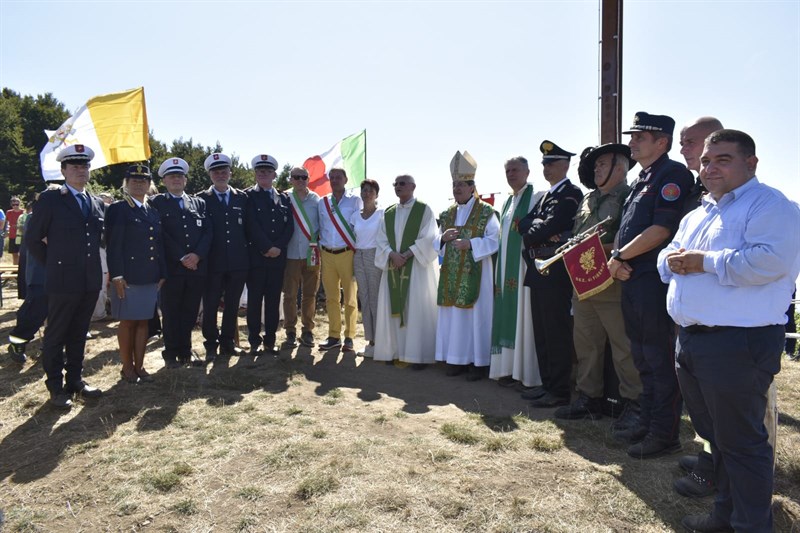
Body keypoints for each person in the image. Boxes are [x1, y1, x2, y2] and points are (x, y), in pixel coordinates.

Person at [658, 129, 800, 533]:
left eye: (723, 159)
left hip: (738, 342)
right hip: (692, 339)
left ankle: (751, 526)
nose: (710, 168)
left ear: (750, 163)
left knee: (742, 444)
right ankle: (726, 517)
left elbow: (769, 262)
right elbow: (666, 260)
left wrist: (703, 262)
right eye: (706, 160)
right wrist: (673, 261)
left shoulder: (771, 205)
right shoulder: (698, 214)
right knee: (717, 438)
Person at [608, 111, 694, 459]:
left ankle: (664, 433)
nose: (632, 142)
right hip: (632, 277)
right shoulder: (642, 178)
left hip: (653, 281)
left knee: (659, 358)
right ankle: (646, 421)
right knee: (642, 356)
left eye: (639, 137)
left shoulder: (673, 175)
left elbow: (661, 230)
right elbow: (626, 228)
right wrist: (617, 259)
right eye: (632, 136)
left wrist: (619, 257)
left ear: (662, 142)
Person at [554, 144, 642, 420]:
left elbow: (631, 239)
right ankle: (588, 397)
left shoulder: (630, 196)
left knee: (623, 348)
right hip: (583, 282)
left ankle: (634, 404)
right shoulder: (587, 199)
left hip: (612, 283)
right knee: (586, 344)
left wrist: (595, 249)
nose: (597, 169)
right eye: (596, 165)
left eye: (603, 164)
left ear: (620, 167)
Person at [26, 144, 105, 408]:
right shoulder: (51, 200)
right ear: (63, 171)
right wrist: (54, 265)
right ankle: (56, 388)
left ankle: (75, 380)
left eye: (85, 166)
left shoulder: (95, 202)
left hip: (89, 280)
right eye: (75, 166)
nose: (81, 171)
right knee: (56, 334)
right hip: (62, 280)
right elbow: (33, 239)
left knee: (79, 332)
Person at [518, 141, 582, 407]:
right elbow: (523, 223)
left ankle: (559, 390)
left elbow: (553, 225)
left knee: (556, 331)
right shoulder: (545, 196)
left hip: (555, 269)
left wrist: (538, 228)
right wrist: (538, 225)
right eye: (544, 163)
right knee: (542, 331)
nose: (547, 168)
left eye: (552, 163)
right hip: (537, 266)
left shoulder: (571, 193)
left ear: (566, 165)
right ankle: (547, 385)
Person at [435, 151, 499, 380]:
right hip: (451, 275)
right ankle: (455, 359)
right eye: (454, 185)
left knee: (475, 318)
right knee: (454, 318)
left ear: (472, 187)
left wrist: (471, 244)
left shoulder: (486, 212)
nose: (457, 189)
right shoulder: (447, 214)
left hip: (476, 274)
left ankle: (478, 363)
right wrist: (443, 239)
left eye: (461, 185)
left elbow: (495, 240)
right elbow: (435, 241)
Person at [106, 165, 166, 383]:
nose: (139, 184)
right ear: (126, 183)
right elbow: (113, 245)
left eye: (143, 180)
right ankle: (127, 367)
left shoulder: (152, 210)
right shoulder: (119, 209)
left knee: (144, 322)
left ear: (150, 184)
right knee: (128, 322)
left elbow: (158, 245)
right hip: (128, 277)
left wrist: (162, 272)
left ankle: (139, 366)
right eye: (134, 180)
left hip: (149, 276)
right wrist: (117, 275)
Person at [150, 157, 212, 368]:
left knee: (190, 311)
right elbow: (160, 233)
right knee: (170, 312)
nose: (176, 179)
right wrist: (182, 256)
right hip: (172, 268)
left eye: (179, 176)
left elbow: (208, 232)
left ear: (185, 180)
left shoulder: (198, 203)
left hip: (196, 268)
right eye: (171, 176)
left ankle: (185, 351)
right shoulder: (157, 203)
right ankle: (170, 353)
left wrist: (197, 255)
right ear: (164, 181)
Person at [373, 175, 438, 367]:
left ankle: (418, 355)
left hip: (415, 267)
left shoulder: (424, 210)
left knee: (416, 309)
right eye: (395, 184)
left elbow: (429, 238)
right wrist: (392, 254)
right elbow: (381, 239)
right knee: (393, 309)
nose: (398, 187)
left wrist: (407, 255)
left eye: (402, 183)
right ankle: (394, 351)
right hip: (393, 266)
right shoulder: (389, 212)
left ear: (413, 186)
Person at [489, 157, 542, 389]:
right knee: (508, 316)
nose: (511, 174)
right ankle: (507, 369)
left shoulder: (536, 197)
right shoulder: (507, 202)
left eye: (516, 170)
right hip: (505, 270)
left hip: (522, 268)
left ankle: (525, 373)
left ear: (527, 172)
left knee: (523, 319)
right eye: (508, 170)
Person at [197, 153, 249, 363]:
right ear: (210, 175)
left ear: (230, 173)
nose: (220, 175)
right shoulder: (201, 199)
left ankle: (228, 342)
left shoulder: (241, 198)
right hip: (212, 262)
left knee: (232, 304)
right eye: (216, 172)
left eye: (224, 171)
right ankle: (211, 344)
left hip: (237, 261)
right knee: (210, 305)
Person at [245, 154, 293, 355]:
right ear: (255, 174)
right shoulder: (247, 196)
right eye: (260, 171)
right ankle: (254, 340)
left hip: (277, 260)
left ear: (274, 175)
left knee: (273, 302)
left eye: (267, 171)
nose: (263, 174)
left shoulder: (284, 198)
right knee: (254, 302)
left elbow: (289, 227)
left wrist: (278, 247)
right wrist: (266, 247)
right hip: (256, 258)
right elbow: (250, 225)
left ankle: (270, 340)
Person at [6, 187, 55, 364]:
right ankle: (17, 342)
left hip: (58, 275)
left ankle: (51, 348)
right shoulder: (34, 218)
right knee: (34, 312)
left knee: (57, 314)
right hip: (39, 275)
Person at [316, 168, 362, 352]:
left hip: (347, 253)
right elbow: (320, 227)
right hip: (327, 254)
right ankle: (334, 335)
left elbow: (359, 224)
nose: (335, 180)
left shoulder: (355, 200)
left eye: (338, 177)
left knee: (350, 298)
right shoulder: (323, 202)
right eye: (332, 177)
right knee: (331, 298)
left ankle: (349, 336)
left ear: (346, 179)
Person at [282, 166, 321, 350]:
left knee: (310, 294)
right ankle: (290, 330)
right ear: (290, 179)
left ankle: (307, 330)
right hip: (291, 253)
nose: (300, 180)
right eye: (296, 177)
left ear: (308, 179)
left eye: (303, 177)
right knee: (290, 295)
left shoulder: (316, 200)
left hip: (311, 254)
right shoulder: (284, 198)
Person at [350, 179, 383, 357]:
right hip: (358, 256)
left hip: (374, 256)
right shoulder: (355, 216)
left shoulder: (382, 214)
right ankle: (370, 340)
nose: (367, 193)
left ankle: (380, 341)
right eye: (364, 190)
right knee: (364, 297)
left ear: (376, 194)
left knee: (375, 298)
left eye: (371, 190)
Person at [6, 197, 23, 265]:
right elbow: (6, 223)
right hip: (12, 235)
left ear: (19, 204)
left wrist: (19, 226)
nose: (15, 206)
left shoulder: (23, 212)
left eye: (17, 204)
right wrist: (6, 231)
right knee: (14, 253)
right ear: (11, 205)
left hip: (21, 236)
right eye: (13, 205)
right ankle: (15, 267)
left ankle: (22, 268)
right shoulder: (9, 212)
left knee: (22, 253)